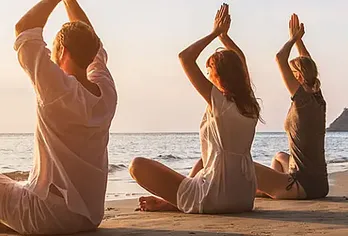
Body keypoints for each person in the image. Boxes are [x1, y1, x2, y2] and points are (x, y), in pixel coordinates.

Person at [129, 4, 261, 213]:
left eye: (210, 71)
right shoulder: (250, 105)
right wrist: (225, 38)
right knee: (203, 161)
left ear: (220, 76)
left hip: (217, 196)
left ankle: (178, 203)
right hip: (244, 196)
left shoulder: (220, 102)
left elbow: (185, 58)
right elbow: (241, 61)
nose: (207, 75)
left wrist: (215, 33)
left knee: (137, 166)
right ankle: (174, 203)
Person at [0, 0, 117, 234]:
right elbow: (92, 44)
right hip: (89, 216)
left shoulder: (57, 88)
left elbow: (24, 29)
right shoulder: (106, 91)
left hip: (47, 215)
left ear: (62, 51)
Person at [255, 14, 328, 200]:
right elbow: (309, 64)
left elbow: (280, 58)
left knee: (245, 168)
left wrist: (293, 39)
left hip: (303, 185)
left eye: (293, 72)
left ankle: (269, 192)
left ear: (299, 78)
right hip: (320, 184)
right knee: (279, 157)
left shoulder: (302, 100)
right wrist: (299, 42)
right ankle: (270, 191)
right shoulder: (318, 99)